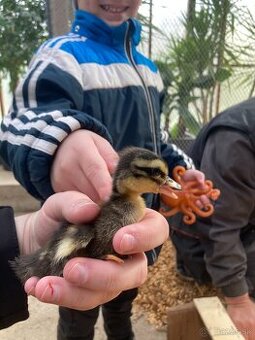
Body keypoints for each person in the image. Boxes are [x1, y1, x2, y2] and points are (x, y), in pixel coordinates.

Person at [0, 0, 208, 339]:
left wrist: (183, 169)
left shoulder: (148, 70)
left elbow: (158, 141)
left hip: (133, 239)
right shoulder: (61, 55)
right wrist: (63, 139)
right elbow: (19, 123)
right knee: (78, 315)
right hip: (85, 232)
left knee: (122, 307)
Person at [0, 190, 170, 329]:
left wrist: (25, 235)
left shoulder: (127, 209)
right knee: (77, 323)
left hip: (109, 272)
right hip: (69, 268)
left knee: (120, 315)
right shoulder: (109, 211)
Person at [169, 97, 255, 340]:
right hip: (197, 227)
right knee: (240, 282)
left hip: (242, 218)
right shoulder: (237, 140)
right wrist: (238, 301)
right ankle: (189, 265)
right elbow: (219, 225)